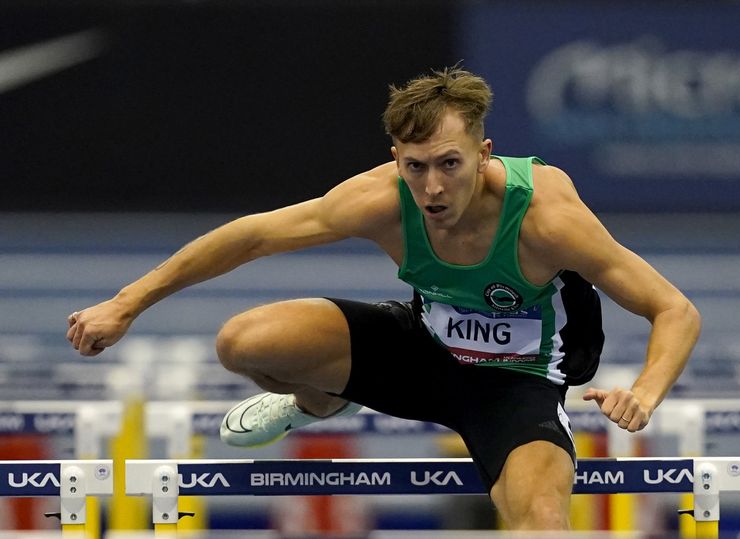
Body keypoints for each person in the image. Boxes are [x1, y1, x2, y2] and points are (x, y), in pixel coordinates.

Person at [66, 67, 701, 530]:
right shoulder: (379, 197)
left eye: (449, 164)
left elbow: (673, 309)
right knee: (243, 342)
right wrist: (128, 302)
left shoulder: (545, 216)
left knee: (540, 521)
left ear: (483, 155)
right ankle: (319, 400)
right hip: (421, 353)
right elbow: (254, 236)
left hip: (519, 384)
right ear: (396, 158)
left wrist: (644, 392)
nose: (432, 187)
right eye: (416, 166)